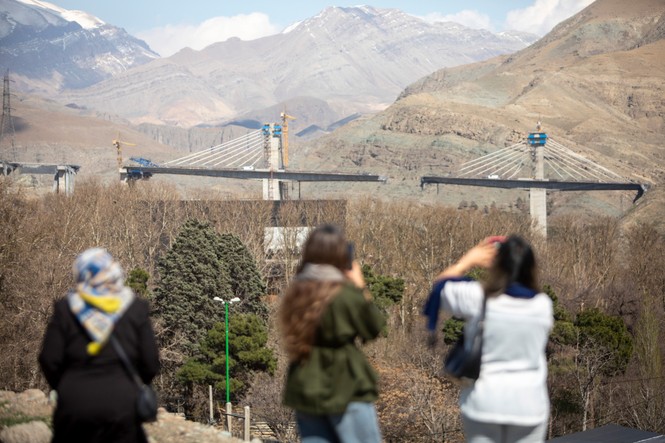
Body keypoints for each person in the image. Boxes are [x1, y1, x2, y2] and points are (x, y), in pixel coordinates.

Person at [423, 235, 553, 443]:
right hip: (529, 405)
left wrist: (468, 260)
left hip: (484, 403)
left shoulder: (477, 297)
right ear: (530, 268)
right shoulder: (543, 305)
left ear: (497, 267)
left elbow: (439, 287)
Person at [39, 248, 160, 443]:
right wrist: (136, 382)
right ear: (113, 273)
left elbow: (48, 359)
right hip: (122, 404)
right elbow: (151, 362)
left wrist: (66, 384)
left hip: (74, 404)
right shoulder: (135, 308)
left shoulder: (65, 309)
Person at [279, 224, 385, 443]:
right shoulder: (345, 294)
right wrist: (360, 285)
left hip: (305, 381)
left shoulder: (296, 292)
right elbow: (373, 327)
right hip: (346, 382)